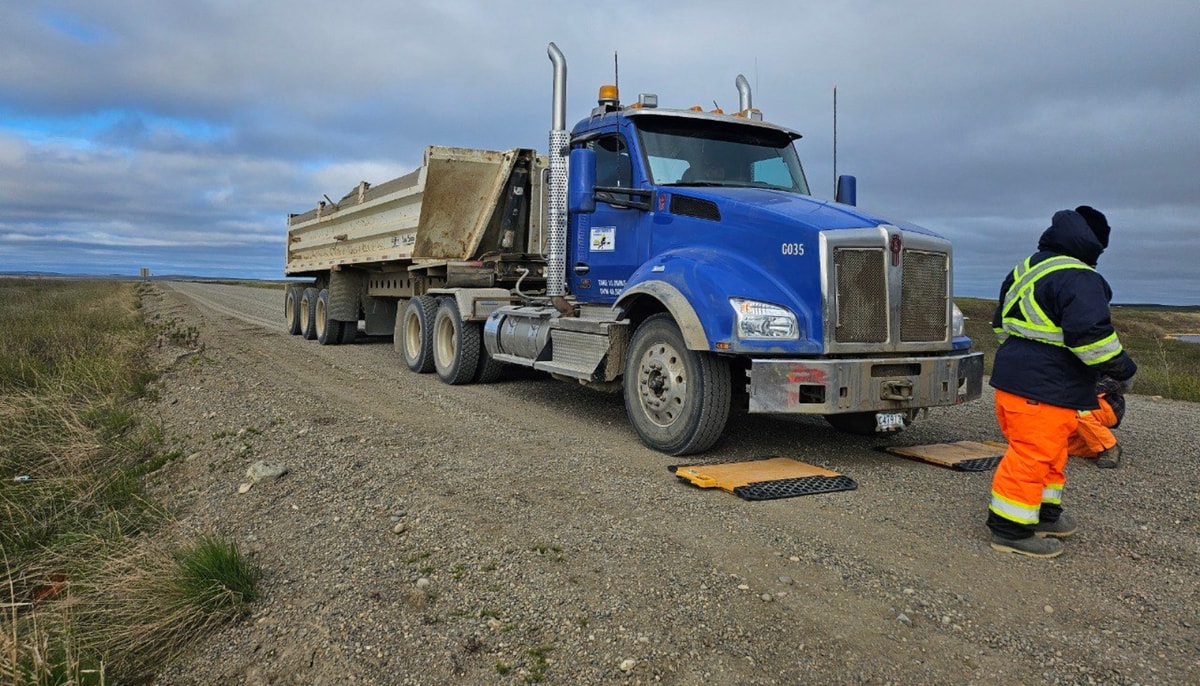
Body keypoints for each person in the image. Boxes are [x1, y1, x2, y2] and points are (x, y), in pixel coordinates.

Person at [986, 206, 1137, 558]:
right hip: (1045, 387)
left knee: (1050, 453)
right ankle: (1009, 529)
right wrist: (1123, 370)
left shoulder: (1026, 268)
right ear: (1094, 243)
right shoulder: (1079, 276)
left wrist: (1025, 363)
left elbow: (1000, 327)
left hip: (1026, 383)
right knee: (1033, 456)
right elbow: (1093, 338)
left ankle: (1044, 514)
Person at [1069, 375, 1126, 468]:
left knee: (1075, 411)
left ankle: (1109, 448)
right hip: (1076, 399)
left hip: (1104, 405)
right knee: (1054, 443)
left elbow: (1113, 382)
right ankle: (1094, 448)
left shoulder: (1106, 364)